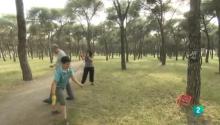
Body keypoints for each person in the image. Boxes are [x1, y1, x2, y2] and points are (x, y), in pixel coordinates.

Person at [51, 56, 83, 121]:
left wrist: (79, 84)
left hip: (62, 87)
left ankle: (53, 109)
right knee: (62, 100)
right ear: (62, 64)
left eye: (69, 64)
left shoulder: (69, 70)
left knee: (55, 100)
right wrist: (53, 93)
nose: (68, 65)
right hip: (57, 87)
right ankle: (65, 118)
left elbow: (73, 78)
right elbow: (54, 83)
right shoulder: (59, 71)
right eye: (67, 64)